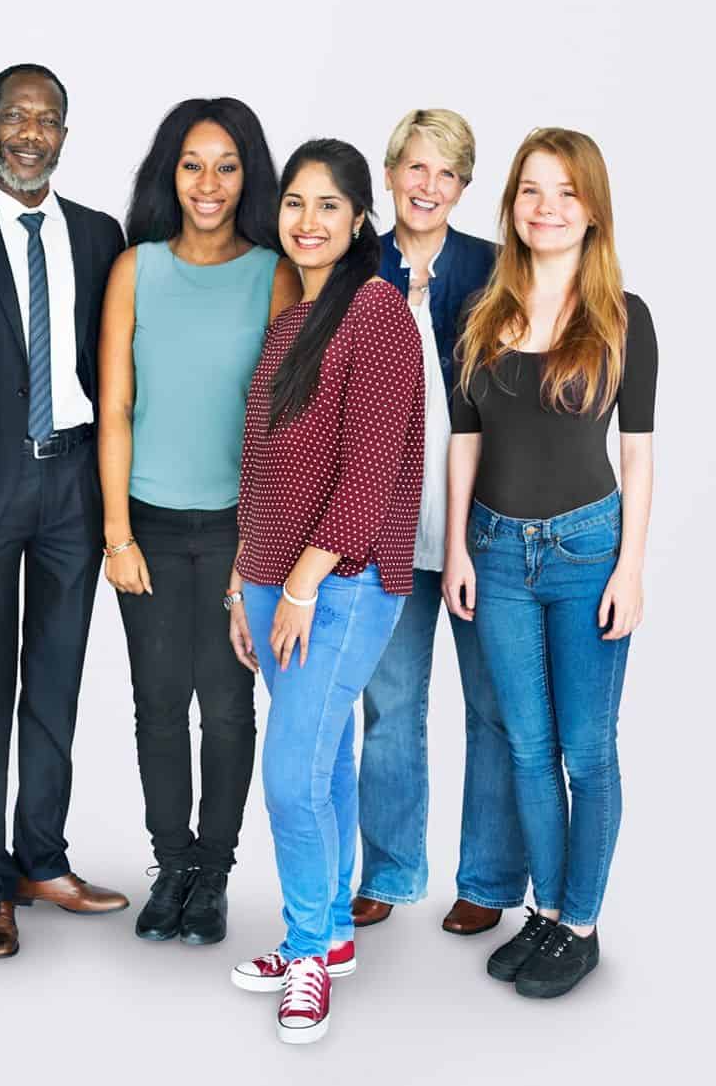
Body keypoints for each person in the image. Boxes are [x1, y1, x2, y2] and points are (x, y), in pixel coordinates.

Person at [445, 127, 655, 1000]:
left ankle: (580, 921)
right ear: (513, 205)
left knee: (586, 748)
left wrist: (631, 568)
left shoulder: (623, 316)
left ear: (593, 209)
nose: (547, 207)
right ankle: (545, 907)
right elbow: (465, 438)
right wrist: (456, 544)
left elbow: (639, 452)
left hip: (584, 551)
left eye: (565, 191)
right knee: (526, 747)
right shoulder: (482, 315)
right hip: (494, 552)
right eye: (531, 190)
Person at [224, 139, 425, 1044]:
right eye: (295, 204)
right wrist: (243, 581)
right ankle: (332, 933)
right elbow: (262, 465)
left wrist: (301, 582)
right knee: (325, 760)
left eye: (327, 207)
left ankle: (307, 950)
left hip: (341, 583)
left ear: (357, 221)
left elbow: (370, 471)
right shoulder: (289, 322)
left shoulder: (378, 313)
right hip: (272, 582)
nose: (307, 222)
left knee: (291, 773)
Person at [0, 63, 130, 960]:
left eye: (47, 119)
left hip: (73, 488)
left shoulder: (100, 234)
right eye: (15, 116)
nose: (29, 132)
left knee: (55, 681)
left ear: (63, 134)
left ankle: (44, 856)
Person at [99, 98, 296, 948]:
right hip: (143, 519)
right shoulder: (134, 268)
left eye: (225, 164)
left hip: (234, 531)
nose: (208, 182)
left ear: (248, 173)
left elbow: (284, 421)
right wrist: (116, 535)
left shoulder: (273, 273)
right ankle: (170, 862)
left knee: (225, 707)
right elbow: (116, 407)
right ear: (167, 174)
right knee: (155, 704)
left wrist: (255, 548)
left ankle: (213, 872)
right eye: (191, 164)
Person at [352, 110, 524, 935]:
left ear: (463, 186)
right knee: (387, 706)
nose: (427, 186)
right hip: (382, 527)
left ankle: (488, 878)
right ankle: (387, 869)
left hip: (480, 528)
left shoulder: (495, 271)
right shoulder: (356, 265)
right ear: (389, 175)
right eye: (414, 169)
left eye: (445, 174)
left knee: (492, 707)